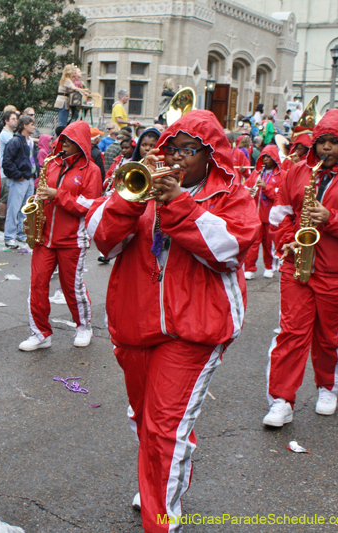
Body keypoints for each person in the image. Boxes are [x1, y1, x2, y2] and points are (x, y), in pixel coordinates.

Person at [85, 109, 260, 531]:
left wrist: (178, 203)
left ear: (211, 155)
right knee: (146, 417)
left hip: (195, 328)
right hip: (135, 323)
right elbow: (102, 239)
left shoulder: (230, 194)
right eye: (172, 149)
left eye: (189, 150)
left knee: (165, 426)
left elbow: (229, 251)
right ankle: (159, 484)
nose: (178, 157)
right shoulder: (139, 183)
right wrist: (129, 202)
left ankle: (161, 516)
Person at [264, 109, 338, 427]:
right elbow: (279, 215)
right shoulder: (297, 172)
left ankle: (328, 389)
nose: (326, 148)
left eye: (333, 142)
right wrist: (288, 241)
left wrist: (332, 218)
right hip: (297, 266)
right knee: (290, 333)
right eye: (321, 142)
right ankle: (281, 400)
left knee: (330, 336)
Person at [18, 120, 101, 352]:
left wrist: (57, 195)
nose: (64, 144)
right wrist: (37, 201)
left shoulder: (92, 171)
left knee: (72, 287)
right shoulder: (52, 163)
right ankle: (40, 333)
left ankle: (83, 327)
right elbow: (43, 192)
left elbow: (88, 205)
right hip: (44, 236)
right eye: (63, 139)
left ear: (81, 144)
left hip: (72, 239)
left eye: (70, 141)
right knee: (37, 285)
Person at [243, 145, 285, 279]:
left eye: (269, 157)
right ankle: (249, 268)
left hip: (271, 215)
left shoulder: (282, 175)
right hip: (255, 214)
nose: (265, 159)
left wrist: (266, 187)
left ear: (275, 158)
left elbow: (281, 195)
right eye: (264, 157)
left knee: (269, 244)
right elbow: (245, 187)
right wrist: (248, 191)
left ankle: (269, 267)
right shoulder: (256, 173)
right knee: (253, 243)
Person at [2, 115, 37, 249]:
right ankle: (9, 236)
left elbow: (32, 158)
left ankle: (22, 233)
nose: (34, 127)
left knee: (25, 208)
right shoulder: (15, 141)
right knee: (13, 208)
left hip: (29, 178)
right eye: (31, 124)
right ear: (25, 125)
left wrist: (35, 173)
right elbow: (7, 161)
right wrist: (17, 175)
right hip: (20, 179)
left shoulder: (30, 141)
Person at [0, 110, 19, 230]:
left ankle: (7, 220)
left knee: (9, 197)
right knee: (5, 198)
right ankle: (1, 220)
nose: (16, 121)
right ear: (6, 121)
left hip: (9, 170)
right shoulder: (5, 134)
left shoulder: (11, 133)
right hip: (5, 171)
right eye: (13, 119)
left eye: (16, 119)